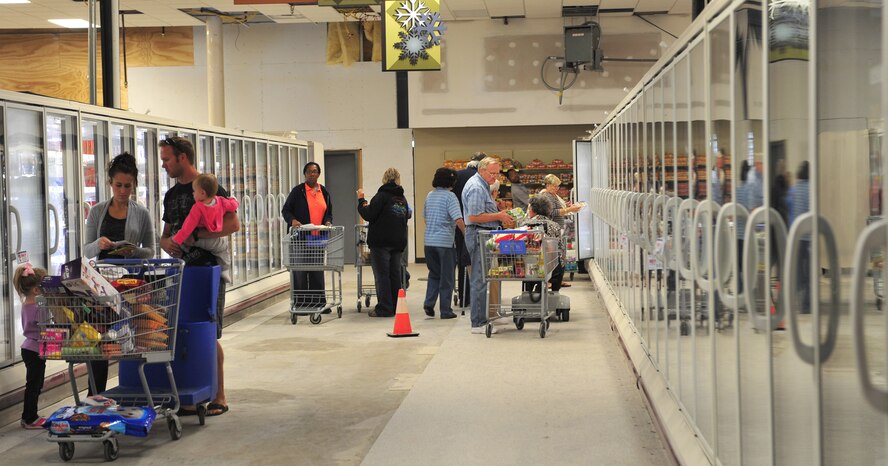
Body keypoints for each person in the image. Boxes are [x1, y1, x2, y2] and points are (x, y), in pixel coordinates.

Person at [159, 136, 238, 417]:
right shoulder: (171, 195)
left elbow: (233, 224)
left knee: (209, 331)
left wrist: (196, 237)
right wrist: (165, 243)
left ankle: (219, 395)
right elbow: (166, 233)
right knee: (186, 331)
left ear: (182, 158)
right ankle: (192, 394)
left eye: (167, 159)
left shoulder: (208, 186)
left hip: (209, 270)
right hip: (182, 272)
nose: (164, 165)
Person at [83, 152, 155, 396]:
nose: (123, 191)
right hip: (101, 285)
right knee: (100, 339)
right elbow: (87, 250)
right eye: (118, 185)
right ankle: (95, 395)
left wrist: (134, 251)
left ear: (134, 184)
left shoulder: (142, 213)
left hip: (130, 285)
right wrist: (99, 244)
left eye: (128, 186)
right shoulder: (97, 212)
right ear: (110, 183)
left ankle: (136, 389)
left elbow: (151, 250)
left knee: (130, 339)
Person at [462, 157, 515, 334]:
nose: (495, 177)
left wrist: (498, 213)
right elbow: (474, 216)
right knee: (479, 280)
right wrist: (499, 216)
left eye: (497, 173)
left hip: (484, 234)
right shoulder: (477, 187)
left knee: (484, 278)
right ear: (481, 170)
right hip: (479, 235)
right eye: (492, 173)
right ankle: (478, 323)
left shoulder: (484, 184)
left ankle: (486, 317)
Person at [358, 168, 411, 317]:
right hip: (398, 242)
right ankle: (395, 306)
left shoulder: (381, 196)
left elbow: (369, 214)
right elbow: (405, 217)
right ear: (398, 179)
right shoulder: (402, 199)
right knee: (394, 275)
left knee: (382, 276)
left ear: (384, 179)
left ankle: (385, 307)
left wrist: (361, 201)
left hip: (381, 243)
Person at [282, 162, 333, 309]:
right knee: (301, 270)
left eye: (315, 171)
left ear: (318, 174)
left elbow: (329, 212)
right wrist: (293, 220)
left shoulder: (324, 191)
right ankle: (301, 303)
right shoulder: (298, 191)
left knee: (317, 270)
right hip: (301, 237)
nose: (312, 174)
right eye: (309, 171)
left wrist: (328, 221)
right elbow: (286, 210)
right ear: (305, 174)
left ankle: (319, 303)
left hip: (318, 237)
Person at [172, 173, 240, 282]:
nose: (193, 193)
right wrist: (234, 200)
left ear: (202, 193)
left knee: (185, 241)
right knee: (223, 248)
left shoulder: (197, 208)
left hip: (198, 238)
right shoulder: (221, 201)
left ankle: (185, 247)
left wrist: (178, 239)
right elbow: (232, 205)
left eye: (194, 191)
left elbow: (187, 226)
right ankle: (225, 269)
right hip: (212, 237)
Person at [423, 168, 465, 320]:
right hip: (445, 243)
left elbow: (425, 218)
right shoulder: (450, 196)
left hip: (429, 242)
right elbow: (458, 219)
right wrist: (466, 234)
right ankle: (445, 310)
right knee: (447, 277)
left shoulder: (430, 195)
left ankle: (429, 303)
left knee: (434, 274)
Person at [16, 263, 48, 429]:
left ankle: (30, 416)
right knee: (34, 385)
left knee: (34, 384)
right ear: (36, 290)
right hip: (35, 350)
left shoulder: (26, 304)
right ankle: (29, 418)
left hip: (29, 347)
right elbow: (45, 327)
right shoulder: (38, 308)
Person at [453, 152, 486, 309]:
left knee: (462, 259)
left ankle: (463, 296)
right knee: (478, 261)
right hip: (475, 224)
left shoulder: (458, 175)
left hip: (458, 221)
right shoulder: (479, 178)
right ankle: (477, 296)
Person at [537, 174, 582, 287]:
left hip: (556, 228)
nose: (557, 188)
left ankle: (556, 280)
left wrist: (566, 206)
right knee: (553, 256)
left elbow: (556, 208)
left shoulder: (553, 195)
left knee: (556, 255)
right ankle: (551, 281)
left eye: (558, 186)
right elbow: (552, 212)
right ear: (547, 185)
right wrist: (569, 209)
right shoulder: (547, 196)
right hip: (552, 229)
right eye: (554, 186)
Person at [521, 196, 563, 293]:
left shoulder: (526, 225)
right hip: (553, 268)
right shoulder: (555, 225)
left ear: (533, 210)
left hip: (531, 267)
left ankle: (528, 292)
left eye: (529, 208)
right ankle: (555, 291)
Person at [792, 161, 811, 314]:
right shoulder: (811, 188)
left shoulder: (795, 188)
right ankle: (806, 304)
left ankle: (798, 300)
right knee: (809, 272)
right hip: (808, 236)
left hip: (797, 234)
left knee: (799, 270)